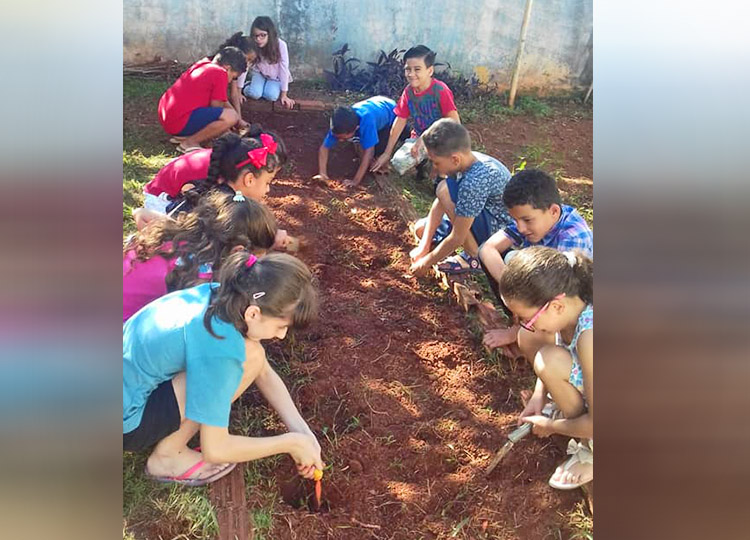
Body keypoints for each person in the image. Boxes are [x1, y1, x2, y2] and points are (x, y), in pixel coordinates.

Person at [124, 251, 324, 486]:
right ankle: (168, 457)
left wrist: (303, 434)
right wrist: (290, 443)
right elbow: (216, 449)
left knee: (253, 354)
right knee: (246, 357)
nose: (281, 335)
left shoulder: (225, 295)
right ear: (254, 314)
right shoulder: (220, 345)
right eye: (281, 326)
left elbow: (263, 371)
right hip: (127, 422)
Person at [500, 247, 593, 490]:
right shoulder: (570, 310)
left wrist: (551, 427)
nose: (523, 325)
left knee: (548, 358)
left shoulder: (590, 338)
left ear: (556, 306)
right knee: (533, 343)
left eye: (527, 319)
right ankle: (571, 413)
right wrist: (539, 396)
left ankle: (592, 452)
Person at [477, 169, 593, 351]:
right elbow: (487, 249)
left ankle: (525, 330)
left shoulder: (574, 239)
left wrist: (514, 328)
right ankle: (524, 318)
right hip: (542, 291)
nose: (521, 228)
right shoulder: (536, 219)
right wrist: (513, 289)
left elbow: (559, 298)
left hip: (568, 306)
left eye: (527, 220)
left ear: (554, 211)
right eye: (515, 220)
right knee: (506, 258)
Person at [123, 191, 277, 322]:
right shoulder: (199, 274)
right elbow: (197, 325)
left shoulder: (176, 236)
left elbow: (143, 214)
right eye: (255, 260)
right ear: (238, 251)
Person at [133, 131, 293, 251]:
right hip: (163, 213)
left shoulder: (225, 184)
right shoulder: (224, 205)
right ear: (249, 179)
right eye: (267, 182)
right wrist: (269, 239)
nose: (268, 189)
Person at [408, 119, 513, 276]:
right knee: (421, 230)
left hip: (497, 230)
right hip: (475, 214)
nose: (434, 169)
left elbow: (457, 237)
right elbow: (440, 203)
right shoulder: (464, 162)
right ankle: (464, 246)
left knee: (443, 189)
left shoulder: (475, 181)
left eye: (436, 163)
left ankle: (474, 257)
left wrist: (426, 262)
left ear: (455, 159)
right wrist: (424, 246)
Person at [370, 45, 460, 175]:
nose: (411, 74)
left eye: (417, 69)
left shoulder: (440, 91)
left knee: (442, 179)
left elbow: (455, 124)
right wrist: (386, 153)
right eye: (408, 69)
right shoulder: (408, 92)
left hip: (443, 139)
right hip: (418, 138)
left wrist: (426, 137)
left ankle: (436, 166)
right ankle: (424, 163)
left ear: (430, 71)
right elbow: (400, 121)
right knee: (399, 162)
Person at [158, 47, 247, 153]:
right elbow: (217, 108)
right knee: (231, 117)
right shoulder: (220, 73)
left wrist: (238, 121)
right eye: (233, 76)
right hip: (178, 121)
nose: (231, 80)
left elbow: (222, 101)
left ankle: (183, 136)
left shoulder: (204, 64)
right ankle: (189, 143)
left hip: (168, 117)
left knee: (232, 116)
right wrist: (227, 128)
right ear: (227, 68)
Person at [313, 96, 398, 187]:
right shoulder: (338, 126)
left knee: (377, 151)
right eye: (338, 138)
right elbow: (324, 148)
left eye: (344, 138)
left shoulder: (367, 122)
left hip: (391, 113)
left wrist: (355, 181)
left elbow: (369, 152)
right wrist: (323, 173)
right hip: (377, 106)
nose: (340, 140)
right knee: (364, 144)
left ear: (356, 128)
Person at [242, 17, 295, 109]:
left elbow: (284, 68)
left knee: (271, 96)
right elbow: (245, 66)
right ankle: (247, 85)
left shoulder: (281, 45)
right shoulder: (252, 45)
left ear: (270, 34)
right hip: (260, 73)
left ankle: (264, 86)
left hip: (276, 77)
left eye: (263, 35)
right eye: (256, 36)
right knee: (255, 94)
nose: (258, 39)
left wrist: (284, 95)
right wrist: (238, 91)